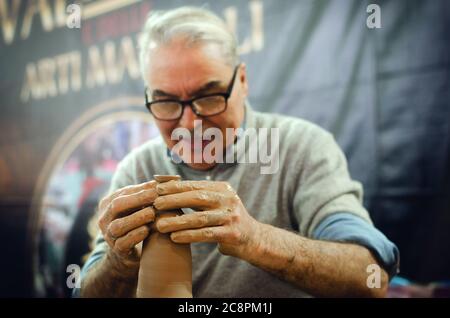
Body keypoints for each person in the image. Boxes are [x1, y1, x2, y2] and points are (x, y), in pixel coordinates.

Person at [76, 6, 399, 298]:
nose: (188, 123)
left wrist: (254, 239)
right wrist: (118, 265)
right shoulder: (138, 168)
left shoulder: (301, 148)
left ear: (242, 81)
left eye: (209, 96)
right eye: (166, 102)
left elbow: (370, 277)